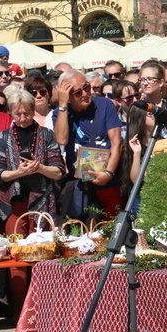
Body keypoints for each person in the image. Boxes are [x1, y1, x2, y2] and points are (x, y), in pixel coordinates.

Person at [0, 89, 64, 235]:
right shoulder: (2, 137)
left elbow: (59, 171)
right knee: (15, 243)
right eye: (18, 114)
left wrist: (40, 168)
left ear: (33, 110)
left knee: (41, 245)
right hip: (14, 201)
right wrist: (19, 173)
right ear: (10, 113)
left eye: (27, 113)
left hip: (42, 199)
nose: (23, 118)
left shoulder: (46, 134)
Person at [53, 69, 122, 220]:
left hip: (107, 179)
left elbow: (117, 142)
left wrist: (108, 173)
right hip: (79, 183)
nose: (85, 94)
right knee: (82, 233)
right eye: (78, 92)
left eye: (87, 87)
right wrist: (63, 105)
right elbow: (62, 140)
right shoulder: (60, 113)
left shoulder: (105, 105)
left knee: (110, 228)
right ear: (68, 97)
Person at [121, 105, 155, 215]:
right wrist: (137, 153)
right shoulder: (134, 144)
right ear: (140, 118)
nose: (154, 116)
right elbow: (136, 180)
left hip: (159, 195)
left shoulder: (163, 142)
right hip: (140, 198)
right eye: (149, 113)